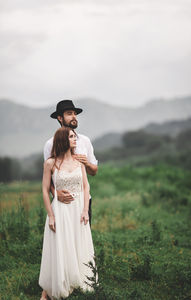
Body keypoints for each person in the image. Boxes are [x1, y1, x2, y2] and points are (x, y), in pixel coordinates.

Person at [39, 126, 96, 300]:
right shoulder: (51, 163)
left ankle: (79, 282)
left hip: (78, 209)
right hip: (61, 210)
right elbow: (43, 189)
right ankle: (58, 284)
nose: (75, 140)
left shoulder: (79, 162)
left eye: (75, 137)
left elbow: (86, 186)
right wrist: (51, 215)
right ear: (64, 139)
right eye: (71, 137)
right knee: (62, 245)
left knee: (78, 243)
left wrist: (85, 210)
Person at [43, 100, 98, 226]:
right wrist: (55, 193)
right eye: (69, 113)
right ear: (60, 118)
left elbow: (94, 171)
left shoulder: (85, 141)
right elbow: (48, 177)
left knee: (82, 237)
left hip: (84, 200)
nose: (74, 116)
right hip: (61, 203)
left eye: (75, 113)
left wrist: (87, 164)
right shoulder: (50, 144)